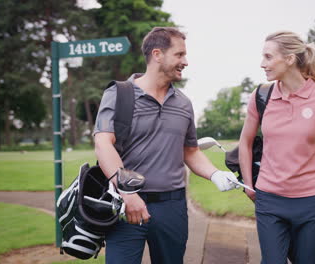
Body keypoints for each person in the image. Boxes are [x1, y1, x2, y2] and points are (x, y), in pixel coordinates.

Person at [93, 27, 239, 264]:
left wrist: (215, 174)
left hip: (172, 207)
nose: (186, 62)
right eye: (179, 55)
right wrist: (127, 193)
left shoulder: (183, 104)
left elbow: (190, 151)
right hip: (126, 204)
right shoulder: (119, 94)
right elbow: (103, 145)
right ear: (157, 54)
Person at [238, 31, 315, 263]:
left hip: (311, 200)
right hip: (269, 200)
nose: (262, 64)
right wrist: (248, 184)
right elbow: (245, 142)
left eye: (268, 57)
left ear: (290, 59)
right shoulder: (260, 96)